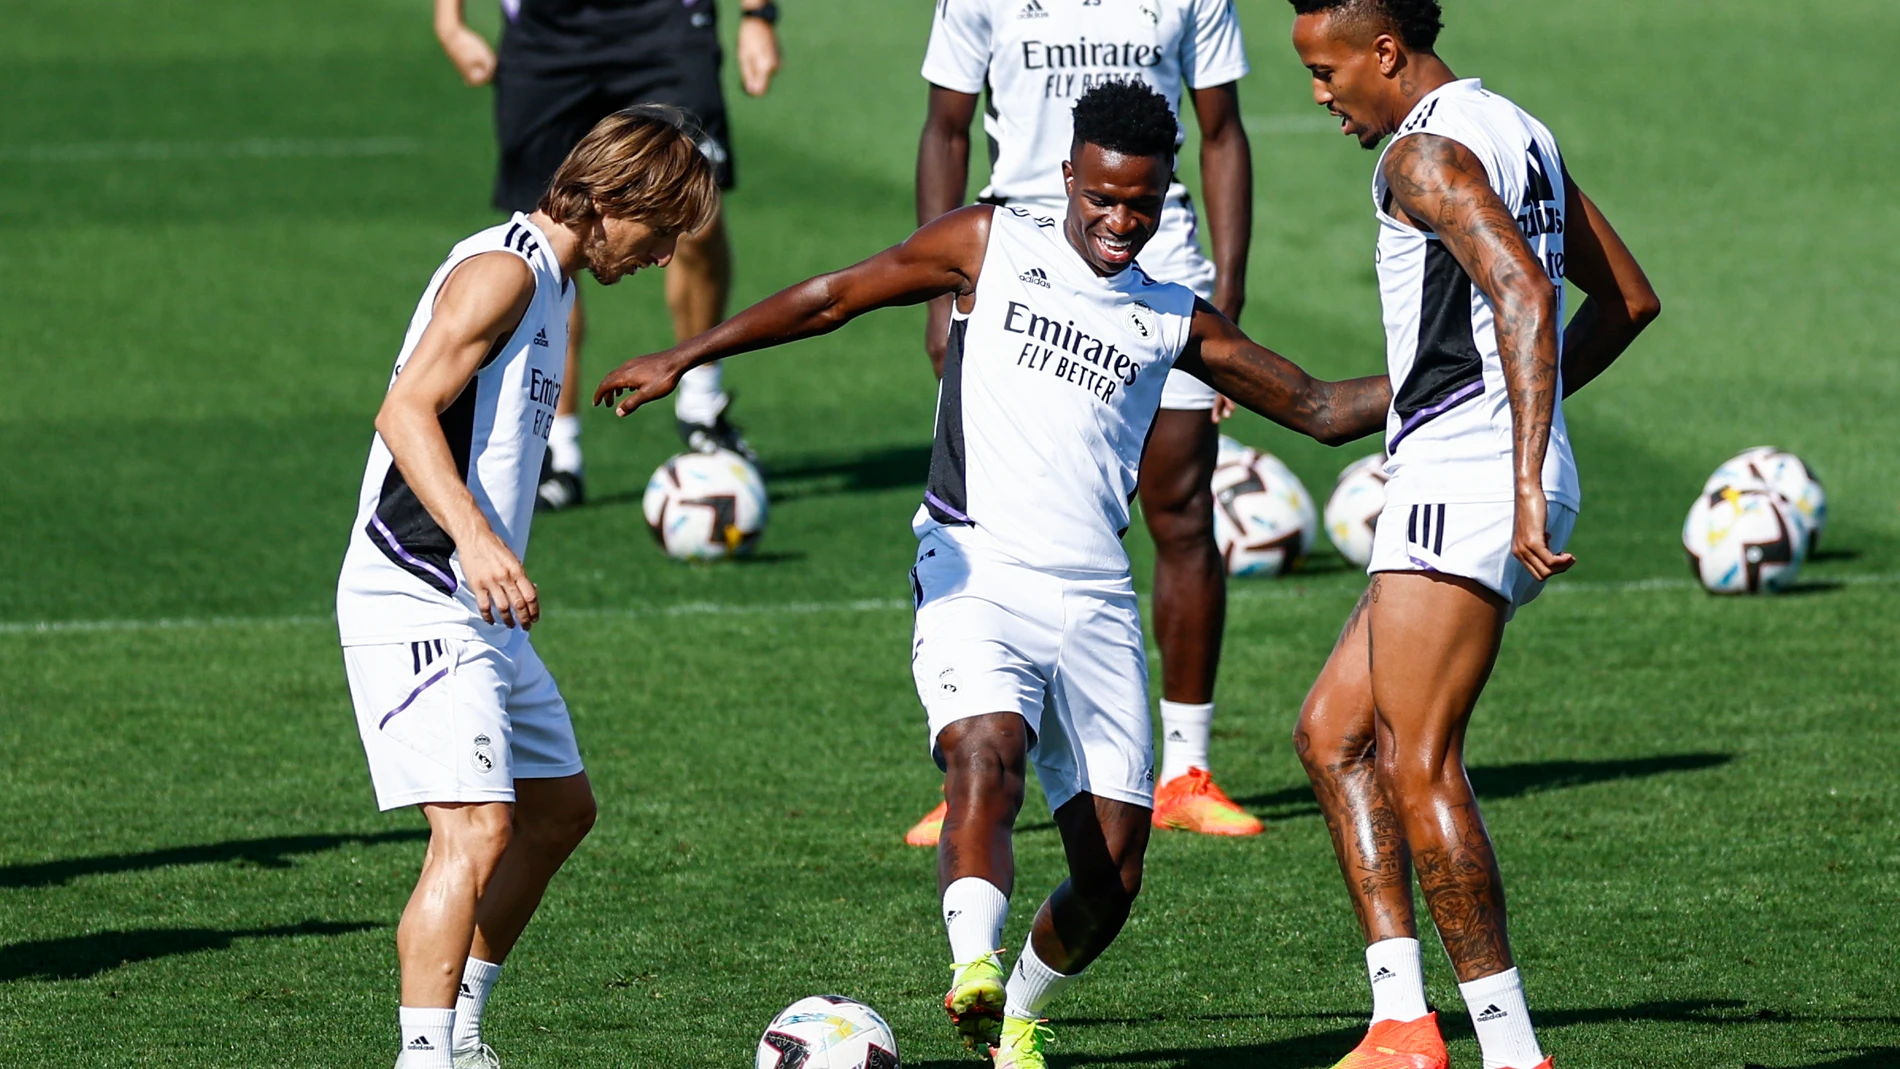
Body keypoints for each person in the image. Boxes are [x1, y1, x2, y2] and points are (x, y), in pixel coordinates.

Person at [596, 82, 1390, 1069]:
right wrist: (687, 353)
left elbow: (1316, 405)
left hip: (1095, 598)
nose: (1118, 220)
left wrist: (1474, 374)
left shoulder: (1171, 319)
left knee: (1114, 876)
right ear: (1067, 177)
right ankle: (969, 961)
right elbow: (834, 295)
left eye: (1140, 204)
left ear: (1163, 194)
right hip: (972, 564)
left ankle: (1014, 1010)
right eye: (1101, 197)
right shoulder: (989, 244)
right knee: (985, 752)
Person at [1280, 2, 1661, 1067]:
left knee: (1419, 762)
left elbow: (1523, 289)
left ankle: (1509, 1050)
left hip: (1468, 486)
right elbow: (1626, 300)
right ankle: (1402, 1020)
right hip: (1474, 473)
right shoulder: (1518, 129)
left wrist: (1519, 468)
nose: (1320, 96)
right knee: (1332, 734)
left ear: (1386, 54)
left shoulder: (1421, 155)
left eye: (1325, 70)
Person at [337, 107, 720, 1069]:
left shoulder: (552, 286)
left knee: (558, 810)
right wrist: (476, 539)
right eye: (662, 227)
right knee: (476, 826)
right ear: (607, 202)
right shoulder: (503, 272)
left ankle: (461, 1030)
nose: (668, 250)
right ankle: (425, 1057)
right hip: (417, 589)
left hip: (479, 609)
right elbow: (403, 409)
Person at [902, 0, 1264, 846]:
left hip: (1153, 257)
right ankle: (973, 758)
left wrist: (1230, 288)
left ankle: (1187, 767)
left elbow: (1222, 134)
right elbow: (945, 128)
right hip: (1021, 260)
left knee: (1181, 510)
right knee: (996, 514)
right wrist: (937, 289)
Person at [432, 0, 783, 510]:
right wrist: (450, 22)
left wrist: (758, 15)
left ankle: (702, 403)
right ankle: (556, 449)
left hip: (664, 21)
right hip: (544, 29)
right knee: (552, 232)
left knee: (695, 220)